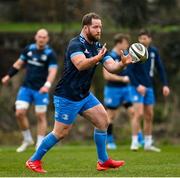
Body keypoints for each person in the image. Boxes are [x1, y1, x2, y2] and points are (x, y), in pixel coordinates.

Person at [25, 12, 133, 173]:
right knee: (60, 133)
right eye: (95, 27)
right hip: (67, 96)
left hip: (84, 95)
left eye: (100, 27)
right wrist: (97, 58)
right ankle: (33, 160)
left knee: (103, 121)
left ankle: (103, 161)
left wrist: (123, 64)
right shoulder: (75, 44)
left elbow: (111, 67)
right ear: (85, 28)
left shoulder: (97, 46)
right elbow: (80, 64)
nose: (99, 30)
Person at [1, 29, 58, 152]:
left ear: (47, 39)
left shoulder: (50, 53)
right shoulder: (29, 49)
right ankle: (27, 139)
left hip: (41, 90)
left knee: (40, 115)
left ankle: (39, 143)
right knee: (19, 113)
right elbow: (18, 64)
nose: (41, 39)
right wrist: (8, 76)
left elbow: (52, 71)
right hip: (26, 88)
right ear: (35, 37)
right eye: (39, 36)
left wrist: (47, 85)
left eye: (44, 37)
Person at [129, 29, 170, 151]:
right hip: (136, 87)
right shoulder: (133, 51)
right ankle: (135, 141)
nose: (142, 40)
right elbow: (129, 71)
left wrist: (165, 84)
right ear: (138, 39)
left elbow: (160, 68)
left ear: (150, 39)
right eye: (140, 38)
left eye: (145, 38)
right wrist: (137, 85)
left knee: (149, 115)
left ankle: (148, 143)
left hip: (149, 87)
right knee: (138, 114)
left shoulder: (153, 52)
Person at [103, 33, 136, 150]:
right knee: (111, 116)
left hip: (125, 89)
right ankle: (110, 140)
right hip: (113, 89)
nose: (127, 45)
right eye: (126, 43)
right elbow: (106, 76)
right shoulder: (110, 56)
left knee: (133, 112)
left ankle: (137, 139)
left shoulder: (126, 55)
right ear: (119, 43)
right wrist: (122, 78)